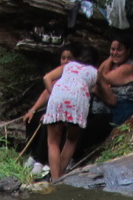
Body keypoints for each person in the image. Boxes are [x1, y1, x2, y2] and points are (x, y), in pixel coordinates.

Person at [41, 44, 99, 180]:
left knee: (53, 142)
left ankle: (55, 179)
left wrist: (53, 93)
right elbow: (106, 92)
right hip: (77, 101)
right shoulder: (95, 72)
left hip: (58, 98)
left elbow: (46, 78)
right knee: (71, 139)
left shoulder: (69, 66)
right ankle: (58, 177)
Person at [95, 36, 133, 126]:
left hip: (126, 107)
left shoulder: (129, 67)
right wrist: (112, 56)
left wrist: (113, 55)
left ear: (128, 51)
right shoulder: (114, 63)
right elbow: (99, 72)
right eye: (112, 49)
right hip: (111, 105)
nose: (115, 53)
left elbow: (101, 78)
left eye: (119, 50)